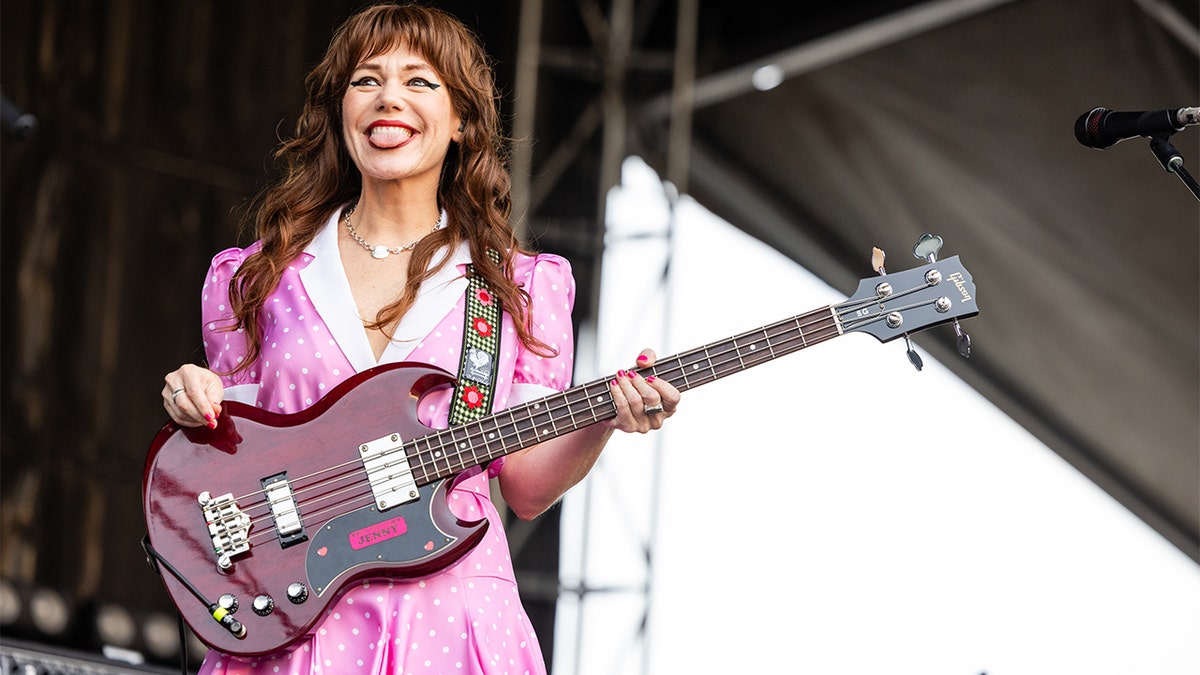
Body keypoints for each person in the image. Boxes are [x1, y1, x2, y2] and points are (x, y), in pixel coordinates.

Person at [159, 2, 679, 674]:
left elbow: (522, 487)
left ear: (461, 121)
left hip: (453, 616)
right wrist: (192, 398)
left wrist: (606, 415)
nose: (389, 98)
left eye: (420, 82)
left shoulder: (517, 290)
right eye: (367, 80)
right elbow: (231, 459)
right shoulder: (259, 278)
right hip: (295, 620)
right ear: (341, 108)